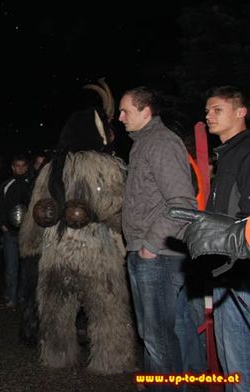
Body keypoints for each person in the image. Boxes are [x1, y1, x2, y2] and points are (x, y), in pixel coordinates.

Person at [20, 79, 136, 373]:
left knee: (56, 311)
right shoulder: (106, 166)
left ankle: (58, 357)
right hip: (95, 253)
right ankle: (111, 361)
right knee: (107, 308)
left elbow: (38, 210)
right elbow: (118, 210)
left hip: (56, 253)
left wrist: (30, 244)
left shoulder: (51, 168)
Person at [119, 86, 198, 388]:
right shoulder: (143, 143)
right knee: (163, 333)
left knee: (157, 337)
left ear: (145, 110)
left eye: (126, 111)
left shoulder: (161, 142)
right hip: (148, 253)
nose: (121, 117)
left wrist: (150, 246)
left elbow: (183, 203)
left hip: (158, 256)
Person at [201, 85, 250, 392]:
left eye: (217, 110)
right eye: (207, 111)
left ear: (241, 112)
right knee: (232, 356)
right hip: (226, 268)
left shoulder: (246, 152)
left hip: (243, 268)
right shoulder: (227, 155)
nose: (209, 116)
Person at [0, 154, 31, 308]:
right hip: (10, 233)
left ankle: (22, 297)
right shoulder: (7, 184)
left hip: (28, 234)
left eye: (23, 166)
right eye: (17, 166)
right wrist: (2, 224)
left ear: (27, 167)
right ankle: (11, 297)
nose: (20, 169)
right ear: (13, 167)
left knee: (26, 269)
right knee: (11, 267)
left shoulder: (32, 184)